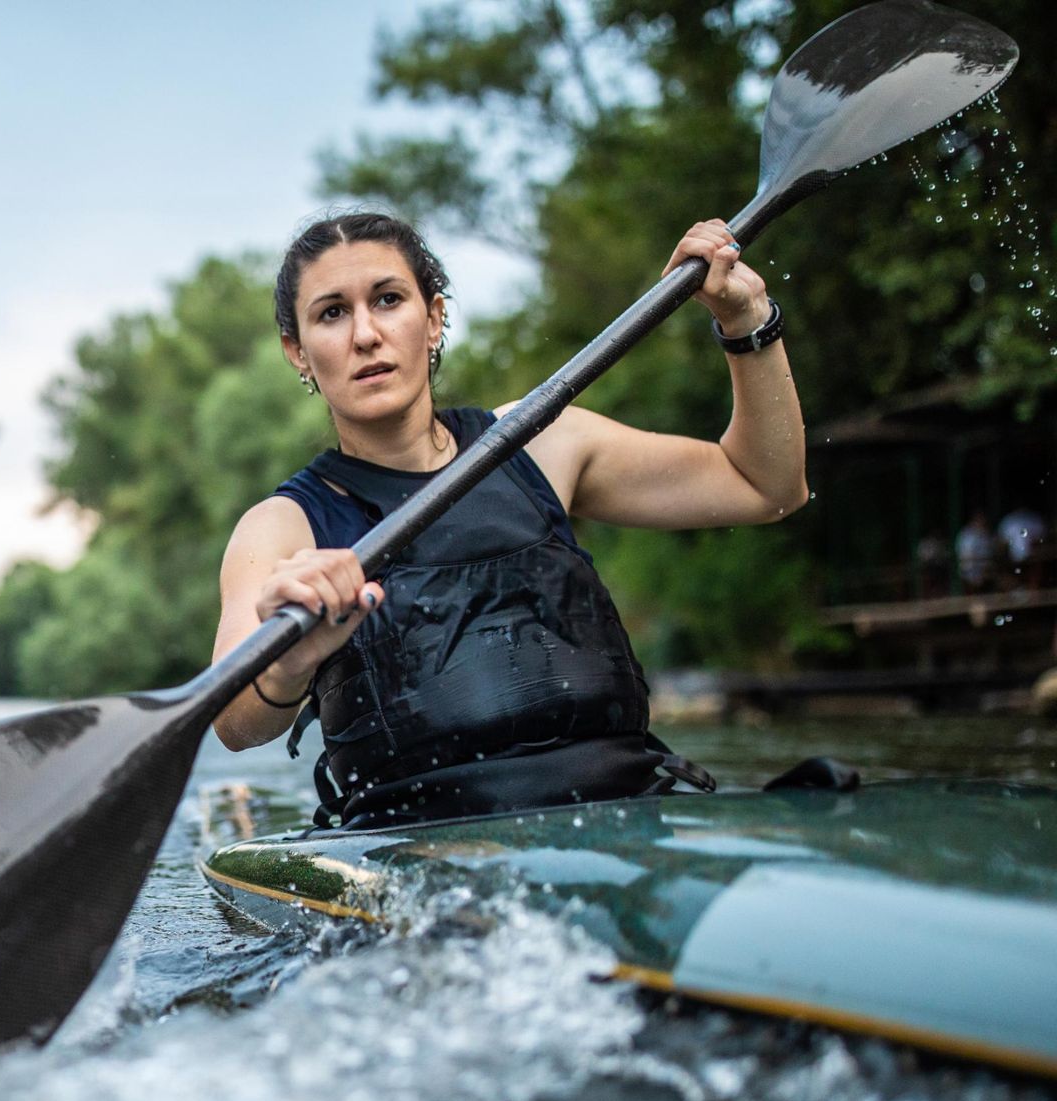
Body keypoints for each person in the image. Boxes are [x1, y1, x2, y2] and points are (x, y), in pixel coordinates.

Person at [211, 212, 806, 830]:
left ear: (434, 317)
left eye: (388, 300)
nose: (365, 334)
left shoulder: (540, 438)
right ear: (297, 351)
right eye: (332, 313)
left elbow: (766, 487)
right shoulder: (282, 528)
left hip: (628, 815)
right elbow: (232, 723)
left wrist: (747, 322)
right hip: (422, 856)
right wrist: (288, 663)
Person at [998, 506, 1046, 589]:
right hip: (1013, 558)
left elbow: (1041, 539)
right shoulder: (1009, 521)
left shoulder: (1033, 519)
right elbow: (1002, 542)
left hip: (1031, 558)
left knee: (1033, 576)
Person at [955, 512, 997, 592]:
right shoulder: (966, 535)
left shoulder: (987, 534)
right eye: (979, 519)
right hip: (970, 573)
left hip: (986, 574)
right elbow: (966, 559)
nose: (982, 522)